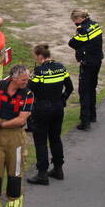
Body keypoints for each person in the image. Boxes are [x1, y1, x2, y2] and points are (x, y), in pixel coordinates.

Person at [0, 65, 34, 207]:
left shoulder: (28, 94)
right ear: (14, 78)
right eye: (24, 79)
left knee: (15, 172)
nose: (26, 82)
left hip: (16, 135)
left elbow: (22, 120)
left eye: (27, 79)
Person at [27, 44, 74, 185]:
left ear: (40, 57)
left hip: (42, 108)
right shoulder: (61, 67)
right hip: (58, 107)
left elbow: (29, 89)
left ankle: (42, 173)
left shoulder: (39, 71)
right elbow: (70, 87)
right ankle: (58, 169)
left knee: (40, 140)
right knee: (55, 138)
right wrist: (62, 99)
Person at [68, 9, 104, 130]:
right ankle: (92, 115)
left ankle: (85, 121)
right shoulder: (95, 24)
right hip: (97, 60)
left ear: (80, 18)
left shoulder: (82, 29)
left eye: (74, 20)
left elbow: (72, 43)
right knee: (92, 88)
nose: (74, 23)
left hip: (87, 63)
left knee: (84, 91)